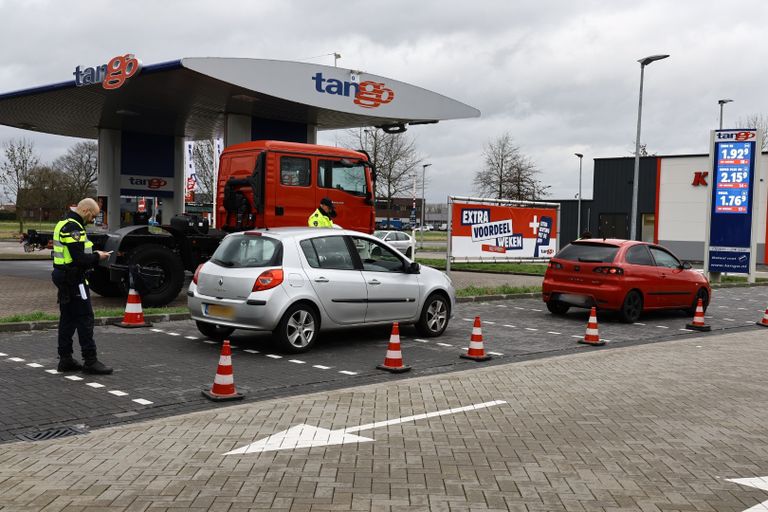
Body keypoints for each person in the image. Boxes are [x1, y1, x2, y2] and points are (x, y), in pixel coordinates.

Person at [51, 198, 114, 374]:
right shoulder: (74, 228)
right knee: (85, 317)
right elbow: (79, 259)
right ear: (86, 211)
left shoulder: (63, 223)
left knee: (68, 319)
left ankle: (65, 359)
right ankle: (90, 361)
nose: (93, 219)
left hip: (64, 277)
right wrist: (98, 256)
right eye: (93, 216)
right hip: (74, 279)